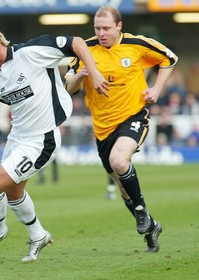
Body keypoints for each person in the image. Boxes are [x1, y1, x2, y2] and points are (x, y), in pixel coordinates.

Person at [0, 19, 108, 262]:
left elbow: (77, 43)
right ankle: (38, 235)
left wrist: (93, 71)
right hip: (17, 138)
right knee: (13, 193)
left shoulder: (31, 53)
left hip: (43, 139)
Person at [65, 6, 178, 252]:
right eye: (97, 28)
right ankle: (150, 225)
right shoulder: (86, 49)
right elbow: (70, 87)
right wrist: (80, 75)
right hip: (102, 128)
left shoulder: (136, 45)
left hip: (133, 116)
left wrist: (157, 89)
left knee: (118, 161)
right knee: (123, 188)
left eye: (106, 28)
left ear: (119, 26)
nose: (101, 33)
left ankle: (140, 212)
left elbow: (169, 59)